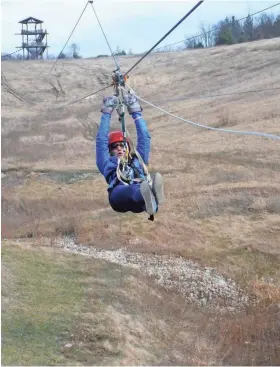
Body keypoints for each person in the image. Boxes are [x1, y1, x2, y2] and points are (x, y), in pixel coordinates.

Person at [96, 94, 164, 218]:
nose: (119, 148)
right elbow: (101, 140)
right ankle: (148, 193)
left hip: (138, 199)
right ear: (110, 150)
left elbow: (145, 138)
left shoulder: (137, 159)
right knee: (137, 189)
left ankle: (152, 203)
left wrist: (135, 111)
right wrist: (107, 112)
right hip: (118, 197)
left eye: (122, 145)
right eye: (114, 146)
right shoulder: (106, 163)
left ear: (127, 146)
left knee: (142, 189)